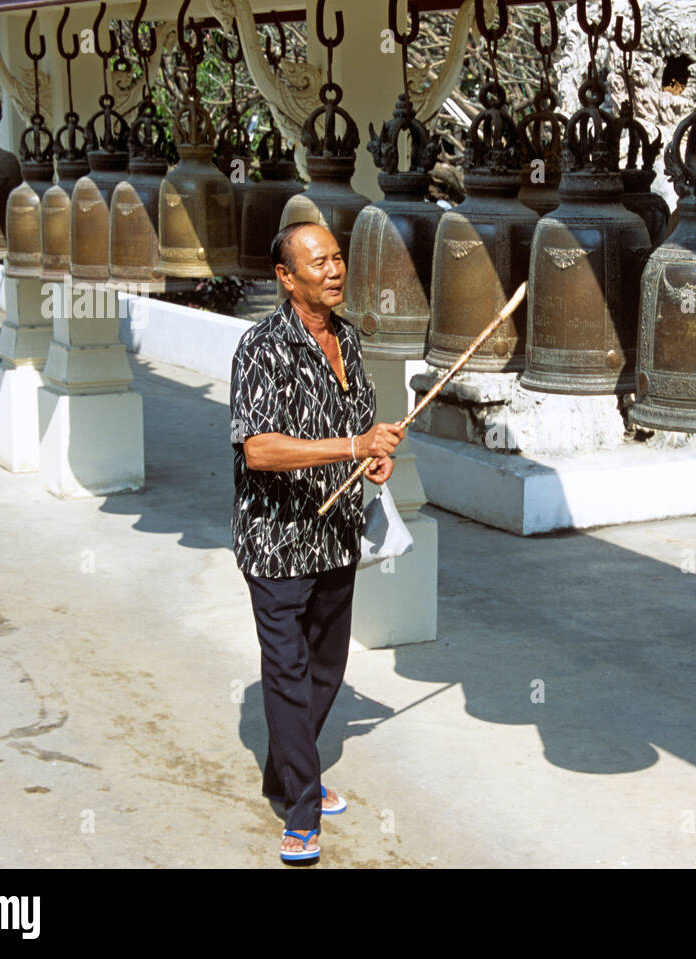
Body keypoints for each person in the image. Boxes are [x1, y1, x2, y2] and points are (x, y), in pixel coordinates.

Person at [229, 221, 405, 863]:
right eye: (318, 262)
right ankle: (300, 809)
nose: (334, 271)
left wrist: (372, 457)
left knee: (326, 667)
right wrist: (353, 446)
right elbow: (259, 449)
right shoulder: (260, 349)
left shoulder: (348, 341)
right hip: (276, 542)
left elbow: (359, 427)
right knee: (287, 672)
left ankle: (285, 772)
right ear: (285, 276)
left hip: (335, 535)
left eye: (337, 259)